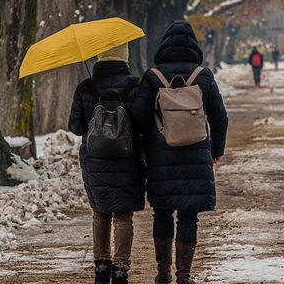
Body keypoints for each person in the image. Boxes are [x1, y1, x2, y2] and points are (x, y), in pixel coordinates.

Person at [129, 20, 228, 284]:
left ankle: (163, 273)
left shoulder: (153, 77)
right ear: (194, 46)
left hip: (160, 156)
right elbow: (220, 118)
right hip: (196, 154)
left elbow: (137, 118)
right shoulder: (203, 76)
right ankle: (183, 276)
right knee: (188, 215)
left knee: (161, 211)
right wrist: (215, 150)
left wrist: (145, 142)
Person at [68, 43, 145, 284]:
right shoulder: (135, 86)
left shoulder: (85, 87)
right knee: (123, 215)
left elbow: (76, 127)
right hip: (128, 158)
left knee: (101, 213)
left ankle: (101, 267)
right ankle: (121, 270)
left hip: (95, 160)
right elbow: (143, 123)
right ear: (125, 56)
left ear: (100, 55)